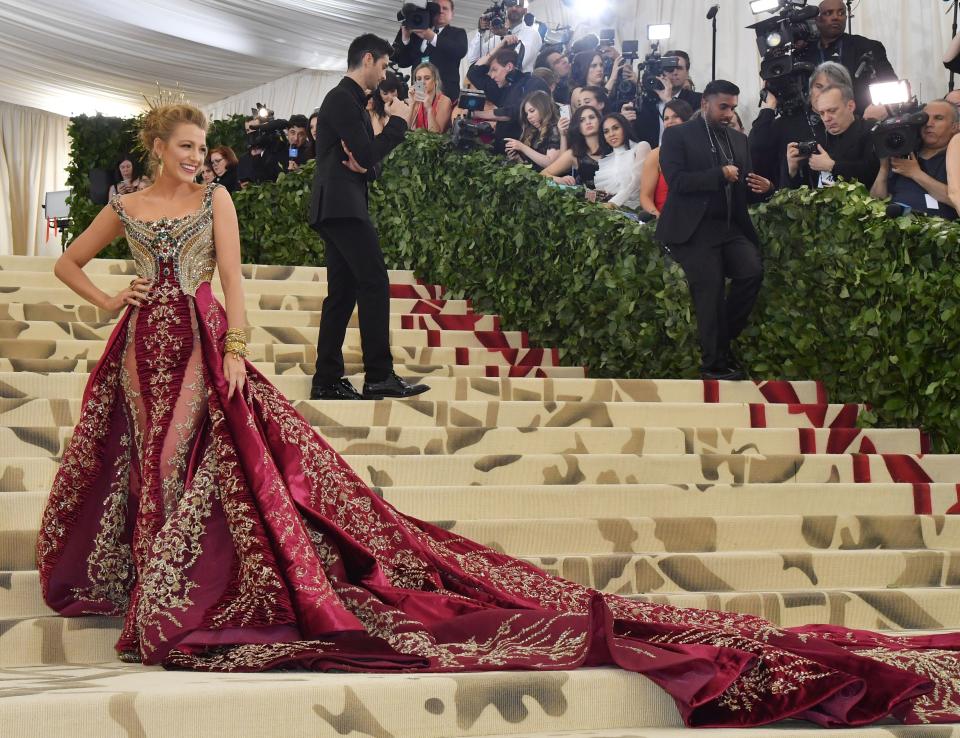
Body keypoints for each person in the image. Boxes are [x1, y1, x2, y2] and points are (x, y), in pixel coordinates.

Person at [36, 98, 960, 737]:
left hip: (200, 340)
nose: (199, 159)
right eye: (188, 149)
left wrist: (236, 354)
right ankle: (149, 582)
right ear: (161, 149)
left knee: (200, 464)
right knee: (143, 461)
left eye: (204, 149)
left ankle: (175, 596)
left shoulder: (217, 200)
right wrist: (109, 304)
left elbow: (234, 290)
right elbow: (69, 266)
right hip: (141, 345)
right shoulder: (127, 203)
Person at [308, 34, 429, 401]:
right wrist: (397, 124)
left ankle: (327, 379)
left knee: (342, 294)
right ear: (367, 59)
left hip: (339, 205)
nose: (385, 72)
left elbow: (367, 161)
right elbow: (366, 153)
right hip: (342, 207)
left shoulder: (351, 102)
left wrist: (366, 160)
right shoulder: (342, 98)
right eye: (383, 64)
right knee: (374, 282)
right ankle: (378, 375)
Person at [654, 80, 764, 381]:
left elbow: (744, 188)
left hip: (729, 226)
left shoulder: (739, 140)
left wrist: (765, 188)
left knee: (752, 271)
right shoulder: (677, 135)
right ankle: (714, 365)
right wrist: (718, 174)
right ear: (705, 103)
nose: (728, 113)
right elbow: (678, 183)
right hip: (693, 228)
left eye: (732, 107)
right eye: (723, 107)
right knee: (710, 289)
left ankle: (720, 339)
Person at [749, 61, 850, 189]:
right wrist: (769, 106)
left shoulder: (852, 122)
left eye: (830, 88)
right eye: (818, 86)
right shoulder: (786, 123)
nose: (823, 93)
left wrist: (832, 165)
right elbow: (754, 149)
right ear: (810, 89)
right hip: (798, 200)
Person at [794, 0, 896, 115]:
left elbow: (891, 86)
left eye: (841, 13)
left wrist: (881, 109)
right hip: (819, 122)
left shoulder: (868, 47)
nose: (836, 17)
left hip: (862, 119)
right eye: (828, 13)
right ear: (817, 20)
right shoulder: (804, 54)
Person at [871, 99, 959, 220]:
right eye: (926, 118)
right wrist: (884, 168)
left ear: (955, 127)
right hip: (894, 227)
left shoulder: (955, 157)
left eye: (938, 118)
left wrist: (916, 174)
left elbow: (956, 198)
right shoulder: (905, 152)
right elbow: (876, 203)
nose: (929, 124)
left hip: (938, 232)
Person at [785, 83, 879, 190]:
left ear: (850, 106)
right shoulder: (817, 135)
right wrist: (793, 171)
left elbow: (873, 172)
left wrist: (832, 166)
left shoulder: (871, 130)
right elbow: (801, 191)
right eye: (822, 113)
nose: (826, 118)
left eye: (832, 111)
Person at [466, 45, 550, 154]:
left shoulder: (533, 82)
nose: (491, 76)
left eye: (495, 70)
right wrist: (501, 45)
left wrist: (476, 114)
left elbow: (515, 112)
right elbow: (473, 73)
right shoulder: (501, 88)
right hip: (501, 152)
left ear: (509, 67)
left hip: (525, 156)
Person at [392, 0, 468, 103]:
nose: (440, 11)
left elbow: (460, 51)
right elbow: (403, 62)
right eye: (437, 8)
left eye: (445, 8)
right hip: (419, 93)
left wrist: (432, 37)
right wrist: (406, 40)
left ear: (452, 13)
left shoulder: (457, 33)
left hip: (445, 96)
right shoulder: (416, 34)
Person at [639, 99, 694, 218]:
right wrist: (658, 217)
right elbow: (646, 196)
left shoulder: (699, 151)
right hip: (664, 222)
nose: (670, 122)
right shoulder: (656, 155)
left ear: (688, 119)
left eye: (676, 116)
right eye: (666, 118)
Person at [591, 112, 651, 209]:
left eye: (615, 128)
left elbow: (636, 182)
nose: (611, 134)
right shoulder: (607, 160)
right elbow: (602, 193)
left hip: (637, 212)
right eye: (606, 131)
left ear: (625, 128)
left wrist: (612, 204)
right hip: (610, 213)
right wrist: (585, 196)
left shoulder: (641, 147)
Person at [539, 105, 609, 188]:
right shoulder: (574, 154)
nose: (588, 122)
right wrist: (559, 179)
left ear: (599, 120)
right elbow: (542, 175)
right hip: (589, 200)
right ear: (577, 126)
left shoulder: (611, 145)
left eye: (592, 117)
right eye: (582, 120)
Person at [467, 0, 541, 74]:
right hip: (493, 83)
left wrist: (504, 36)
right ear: (505, 9)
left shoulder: (532, 34)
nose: (514, 8)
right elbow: (473, 59)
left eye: (518, 6)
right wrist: (481, 32)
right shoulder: (497, 37)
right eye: (510, 5)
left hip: (518, 83)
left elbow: (515, 63)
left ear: (525, 11)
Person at [504, 89, 561, 171]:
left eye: (532, 111)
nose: (528, 117)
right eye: (527, 114)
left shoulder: (554, 129)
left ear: (543, 108)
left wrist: (521, 146)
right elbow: (533, 168)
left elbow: (550, 162)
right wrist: (518, 159)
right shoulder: (534, 132)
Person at [407, 62, 454, 133]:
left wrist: (429, 109)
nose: (422, 82)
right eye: (419, 79)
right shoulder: (416, 101)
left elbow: (436, 135)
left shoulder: (444, 101)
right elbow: (405, 130)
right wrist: (411, 105)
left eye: (427, 78)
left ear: (435, 80)